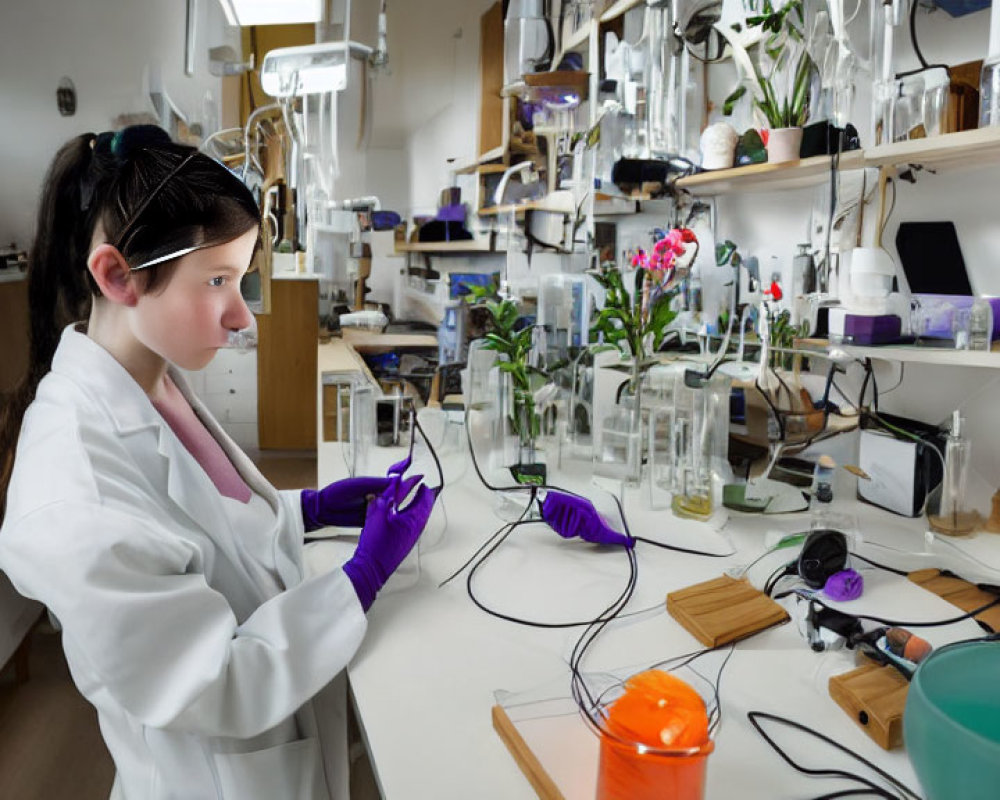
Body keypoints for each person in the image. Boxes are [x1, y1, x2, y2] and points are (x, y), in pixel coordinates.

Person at [0, 125, 435, 800]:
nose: (245, 318)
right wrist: (360, 577)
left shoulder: (151, 378)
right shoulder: (73, 494)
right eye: (219, 281)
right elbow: (216, 680)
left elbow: (204, 535)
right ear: (117, 276)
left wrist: (305, 510)